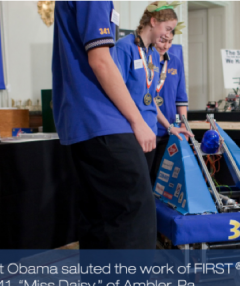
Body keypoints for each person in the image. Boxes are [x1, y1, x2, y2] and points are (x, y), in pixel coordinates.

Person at [52, 0, 156, 249]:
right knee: (134, 216)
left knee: (99, 218)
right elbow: (100, 61)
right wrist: (137, 120)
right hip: (102, 119)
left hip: (83, 120)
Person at [115, 1, 191, 171]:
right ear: (153, 21)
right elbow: (116, 92)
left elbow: (149, 101)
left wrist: (171, 127)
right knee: (134, 189)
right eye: (168, 29)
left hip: (151, 130)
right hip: (131, 131)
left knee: (148, 189)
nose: (167, 37)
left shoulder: (153, 56)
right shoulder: (124, 47)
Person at [150, 25, 189, 183]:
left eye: (170, 41)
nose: (165, 46)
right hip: (149, 129)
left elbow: (181, 98)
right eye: (162, 40)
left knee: (162, 179)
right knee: (146, 177)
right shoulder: (146, 59)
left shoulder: (175, 62)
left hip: (170, 131)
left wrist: (184, 126)